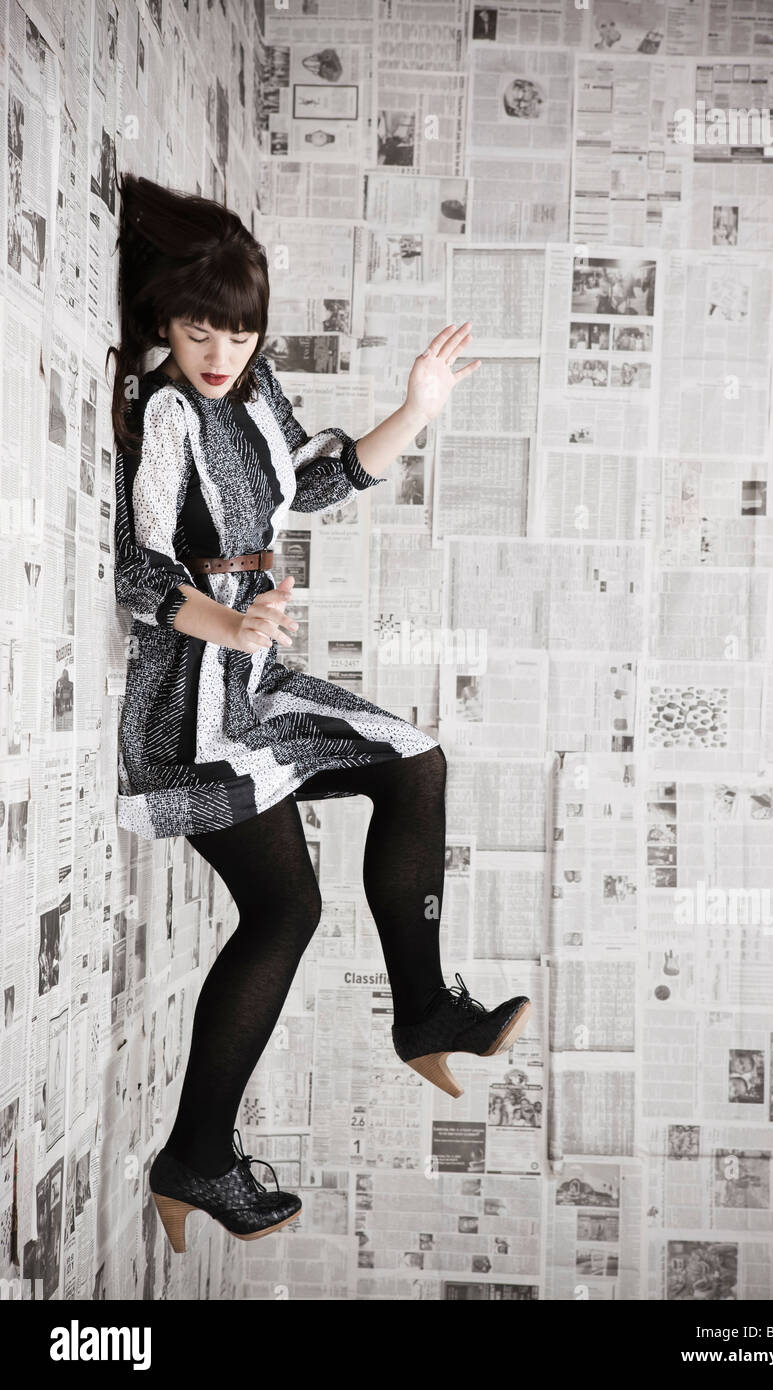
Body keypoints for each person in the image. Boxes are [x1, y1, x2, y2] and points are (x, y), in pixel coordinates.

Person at [107, 173, 532, 1254]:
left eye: (238, 329)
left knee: (413, 760)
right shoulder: (167, 411)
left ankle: (425, 1007)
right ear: (166, 318)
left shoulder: (252, 395)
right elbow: (140, 568)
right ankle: (198, 1155)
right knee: (284, 913)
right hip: (188, 698)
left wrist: (415, 412)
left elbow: (318, 477)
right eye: (200, 327)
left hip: (249, 677)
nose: (220, 350)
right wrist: (228, 620)